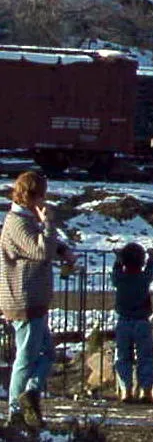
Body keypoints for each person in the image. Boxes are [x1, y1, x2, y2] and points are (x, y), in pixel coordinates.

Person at [0, 170, 77, 429]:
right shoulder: (17, 223)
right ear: (32, 196)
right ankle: (15, 410)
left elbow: (46, 245)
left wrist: (64, 250)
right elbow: (41, 249)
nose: (45, 200)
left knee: (46, 353)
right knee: (26, 356)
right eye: (42, 195)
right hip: (23, 299)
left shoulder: (27, 220)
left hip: (35, 298)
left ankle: (30, 393)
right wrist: (49, 223)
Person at [112, 241, 153, 403]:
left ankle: (126, 390)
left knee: (123, 356)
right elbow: (151, 272)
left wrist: (117, 259)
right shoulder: (143, 278)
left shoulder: (120, 279)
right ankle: (146, 390)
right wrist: (152, 257)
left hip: (123, 321)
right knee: (145, 356)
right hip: (142, 321)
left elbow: (115, 271)